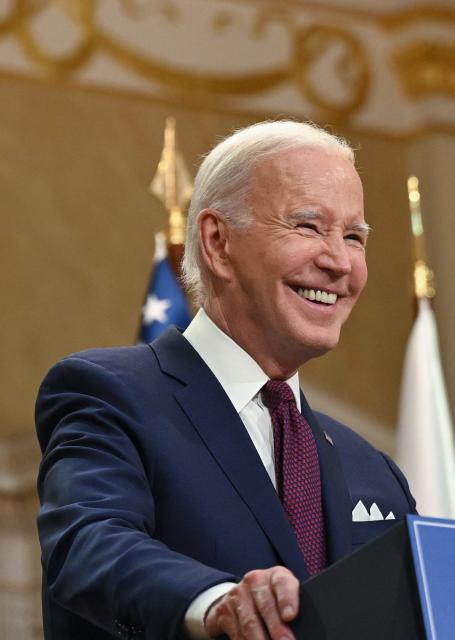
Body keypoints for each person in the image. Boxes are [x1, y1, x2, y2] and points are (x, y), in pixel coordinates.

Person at [35, 120, 416, 640]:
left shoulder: (373, 473)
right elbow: (88, 543)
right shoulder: (110, 393)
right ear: (217, 242)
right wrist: (216, 603)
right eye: (307, 227)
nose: (339, 262)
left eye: (354, 236)